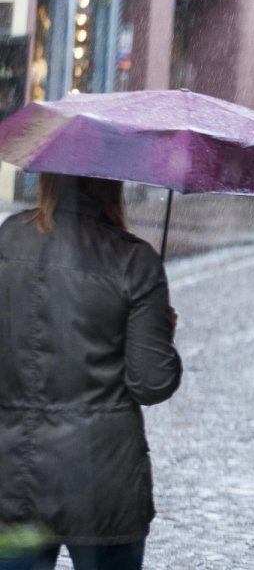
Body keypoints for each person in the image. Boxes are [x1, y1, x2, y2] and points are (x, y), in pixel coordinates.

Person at [0, 174, 182, 569]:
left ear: (49, 178)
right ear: (113, 183)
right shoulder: (134, 260)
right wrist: (163, 335)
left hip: (13, 477)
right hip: (103, 482)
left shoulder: (7, 239)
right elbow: (151, 383)